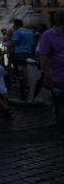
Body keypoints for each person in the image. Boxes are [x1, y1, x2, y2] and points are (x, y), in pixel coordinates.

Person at [38, 11, 64, 145]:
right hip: (59, 78)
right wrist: (47, 77)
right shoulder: (48, 35)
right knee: (62, 109)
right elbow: (44, 57)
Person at [9, 19, 35, 101]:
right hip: (28, 51)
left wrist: (10, 43)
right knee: (26, 68)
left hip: (20, 52)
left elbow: (15, 43)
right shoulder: (29, 31)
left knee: (22, 69)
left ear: (15, 25)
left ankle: (24, 84)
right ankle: (26, 84)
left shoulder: (17, 32)